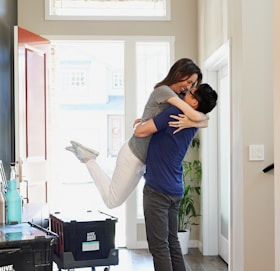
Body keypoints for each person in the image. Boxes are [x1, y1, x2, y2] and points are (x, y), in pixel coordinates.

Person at [66, 58, 209, 209]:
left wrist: (191, 122)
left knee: (113, 198)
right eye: (188, 82)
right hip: (133, 154)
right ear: (179, 73)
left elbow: (205, 120)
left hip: (142, 160)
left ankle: (88, 157)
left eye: (192, 85)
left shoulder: (178, 96)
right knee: (111, 202)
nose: (188, 87)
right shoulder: (164, 91)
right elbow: (194, 114)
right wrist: (192, 119)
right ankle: (88, 159)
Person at [134, 83, 218, 271]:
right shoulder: (196, 121)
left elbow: (141, 131)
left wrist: (138, 126)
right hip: (174, 189)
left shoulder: (176, 112)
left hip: (157, 189)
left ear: (194, 102)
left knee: (160, 248)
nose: (185, 92)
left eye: (190, 93)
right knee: (172, 244)